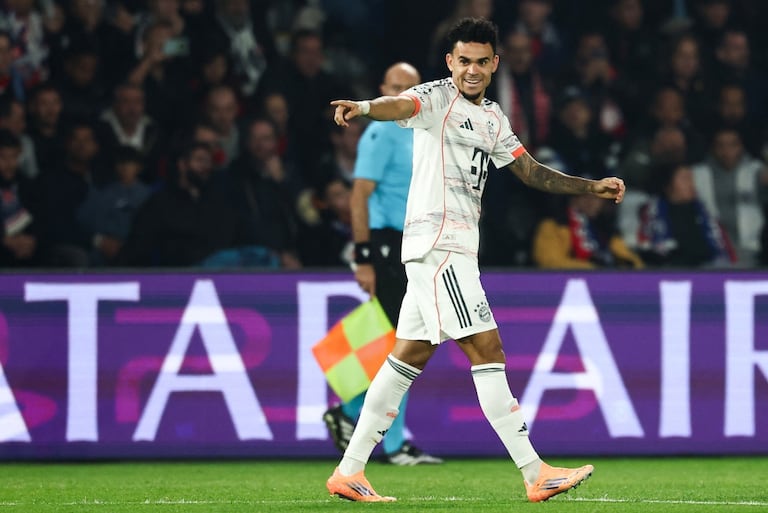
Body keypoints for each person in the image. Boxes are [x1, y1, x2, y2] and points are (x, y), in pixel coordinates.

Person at [325, 17, 625, 503]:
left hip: (449, 249)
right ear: (450, 62)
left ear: (494, 64)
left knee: (407, 358)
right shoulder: (436, 98)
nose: (471, 70)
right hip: (439, 246)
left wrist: (589, 186)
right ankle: (534, 472)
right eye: (463, 61)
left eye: (481, 62)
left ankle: (349, 470)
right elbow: (398, 104)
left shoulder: (493, 118)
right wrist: (363, 106)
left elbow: (529, 172)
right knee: (487, 350)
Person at [322, 62, 442, 466]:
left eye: (409, 87)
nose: (402, 93)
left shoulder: (420, 130)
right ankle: (379, 435)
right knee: (404, 343)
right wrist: (364, 256)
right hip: (388, 245)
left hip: (413, 242)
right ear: (382, 89)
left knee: (402, 341)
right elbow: (359, 198)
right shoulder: (379, 131)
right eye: (395, 86)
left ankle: (356, 416)